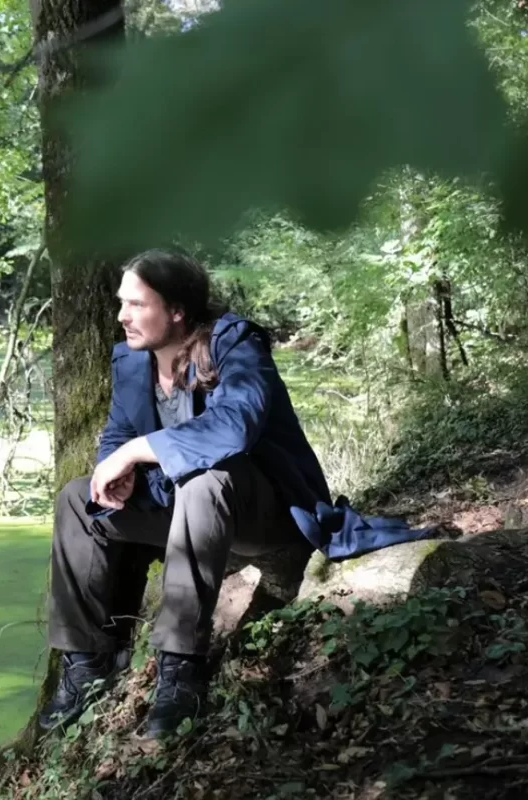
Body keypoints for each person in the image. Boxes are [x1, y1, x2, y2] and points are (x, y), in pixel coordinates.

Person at [40, 248, 331, 738]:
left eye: (136, 304)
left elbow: (234, 428)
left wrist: (139, 450)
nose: (121, 316)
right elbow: (117, 435)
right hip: (184, 514)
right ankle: (85, 664)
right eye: (120, 303)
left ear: (176, 310)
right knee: (77, 498)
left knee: (206, 480)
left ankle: (180, 671)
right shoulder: (132, 365)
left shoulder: (233, 344)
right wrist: (118, 471)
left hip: (263, 512)